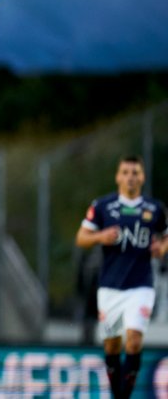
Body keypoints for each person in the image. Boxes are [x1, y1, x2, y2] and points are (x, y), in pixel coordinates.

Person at [75, 156, 168, 399]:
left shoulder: (154, 209)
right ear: (118, 176)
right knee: (112, 345)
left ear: (142, 177)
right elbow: (82, 237)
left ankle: (124, 396)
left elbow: (165, 236)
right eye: (126, 172)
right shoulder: (103, 206)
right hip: (110, 287)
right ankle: (118, 394)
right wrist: (100, 237)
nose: (130, 177)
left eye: (135, 172)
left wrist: (162, 248)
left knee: (134, 341)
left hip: (141, 285)